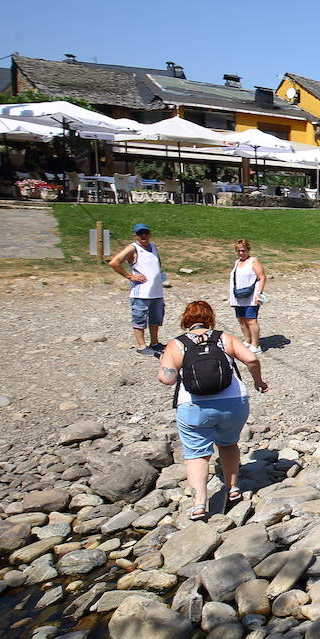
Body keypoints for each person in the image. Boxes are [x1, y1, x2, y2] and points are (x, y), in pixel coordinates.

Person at [156, 301, 267, 520]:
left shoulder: (176, 344)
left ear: (186, 320)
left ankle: (199, 504)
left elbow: (167, 379)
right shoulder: (224, 338)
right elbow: (252, 359)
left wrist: (166, 364)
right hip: (233, 403)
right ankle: (233, 488)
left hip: (193, 406)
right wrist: (258, 382)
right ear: (211, 318)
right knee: (228, 444)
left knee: (197, 454)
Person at [108, 223, 166, 356]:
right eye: (140, 234)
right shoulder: (133, 248)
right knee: (140, 318)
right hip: (141, 292)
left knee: (155, 319)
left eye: (145, 233)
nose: (143, 236)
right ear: (135, 236)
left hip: (156, 291)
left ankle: (155, 343)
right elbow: (114, 262)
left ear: (150, 234)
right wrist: (130, 276)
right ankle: (141, 345)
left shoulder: (153, 247)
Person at [229, 239, 267, 352]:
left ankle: (256, 345)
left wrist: (259, 294)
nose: (241, 253)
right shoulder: (237, 262)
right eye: (238, 251)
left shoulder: (254, 262)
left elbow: (262, 277)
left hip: (251, 296)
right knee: (241, 319)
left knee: (251, 319)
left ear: (248, 250)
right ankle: (247, 340)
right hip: (238, 296)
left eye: (243, 250)